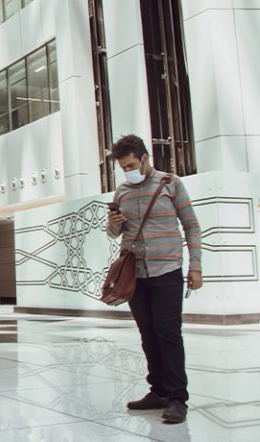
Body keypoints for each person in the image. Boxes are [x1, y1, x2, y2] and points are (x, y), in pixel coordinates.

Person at [106, 134, 202, 424]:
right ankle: (158, 390)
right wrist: (112, 225)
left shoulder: (171, 184)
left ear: (145, 158)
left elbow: (191, 226)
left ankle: (177, 398)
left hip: (167, 270)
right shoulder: (122, 191)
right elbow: (114, 234)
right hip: (135, 275)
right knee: (148, 334)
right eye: (123, 167)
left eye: (131, 165)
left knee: (168, 333)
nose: (128, 171)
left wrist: (195, 267)